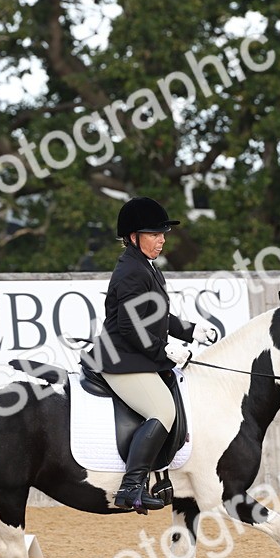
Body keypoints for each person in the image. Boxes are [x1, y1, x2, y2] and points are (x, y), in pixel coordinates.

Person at [89, 197, 219, 512]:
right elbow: (131, 326)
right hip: (121, 360)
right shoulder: (132, 271)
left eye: (163, 234)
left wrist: (189, 331)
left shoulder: (146, 266)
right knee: (163, 410)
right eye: (154, 234)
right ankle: (130, 487)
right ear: (133, 236)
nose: (161, 240)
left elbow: (156, 316)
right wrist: (165, 349)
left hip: (138, 356)